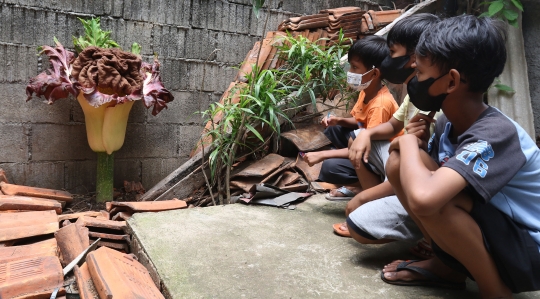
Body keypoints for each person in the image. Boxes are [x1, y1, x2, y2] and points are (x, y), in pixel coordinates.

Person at [381, 15, 540, 297]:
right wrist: (410, 147)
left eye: (419, 74)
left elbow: (424, 198)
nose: (413, 81)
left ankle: (495, 291)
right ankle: (448, 266)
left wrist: (406, 143)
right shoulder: (447, 123)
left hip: (529, 249)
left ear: (451, 81)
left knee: (436, 198)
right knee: (399, 165)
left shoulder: (496, 133)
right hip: (498, 231)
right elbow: (408, 169)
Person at [335, 14, 440, 250]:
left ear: (415, 58)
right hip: (400, 169)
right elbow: (394, 126)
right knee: (358, 137)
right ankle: (379, 197)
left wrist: (363, 198)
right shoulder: (414, 91)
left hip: (416, 181)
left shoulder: (438, 107)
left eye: (392, 52)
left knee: (358, 222)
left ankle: (432, 241)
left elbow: (415, 168)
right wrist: (366, 134)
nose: (386, 61)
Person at [302, 35, 401, 200]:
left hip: (382, 157)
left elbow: (365, 144)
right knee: (334, 129)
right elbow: (361, 121)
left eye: (355, 67)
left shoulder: (381, 104)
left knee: (329, 167)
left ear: (374, 73)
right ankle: (359, 175)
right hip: (368, 145)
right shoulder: (367, 90)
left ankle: (366, 187)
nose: (350, 72)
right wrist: (338, 120)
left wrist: (323, 155)